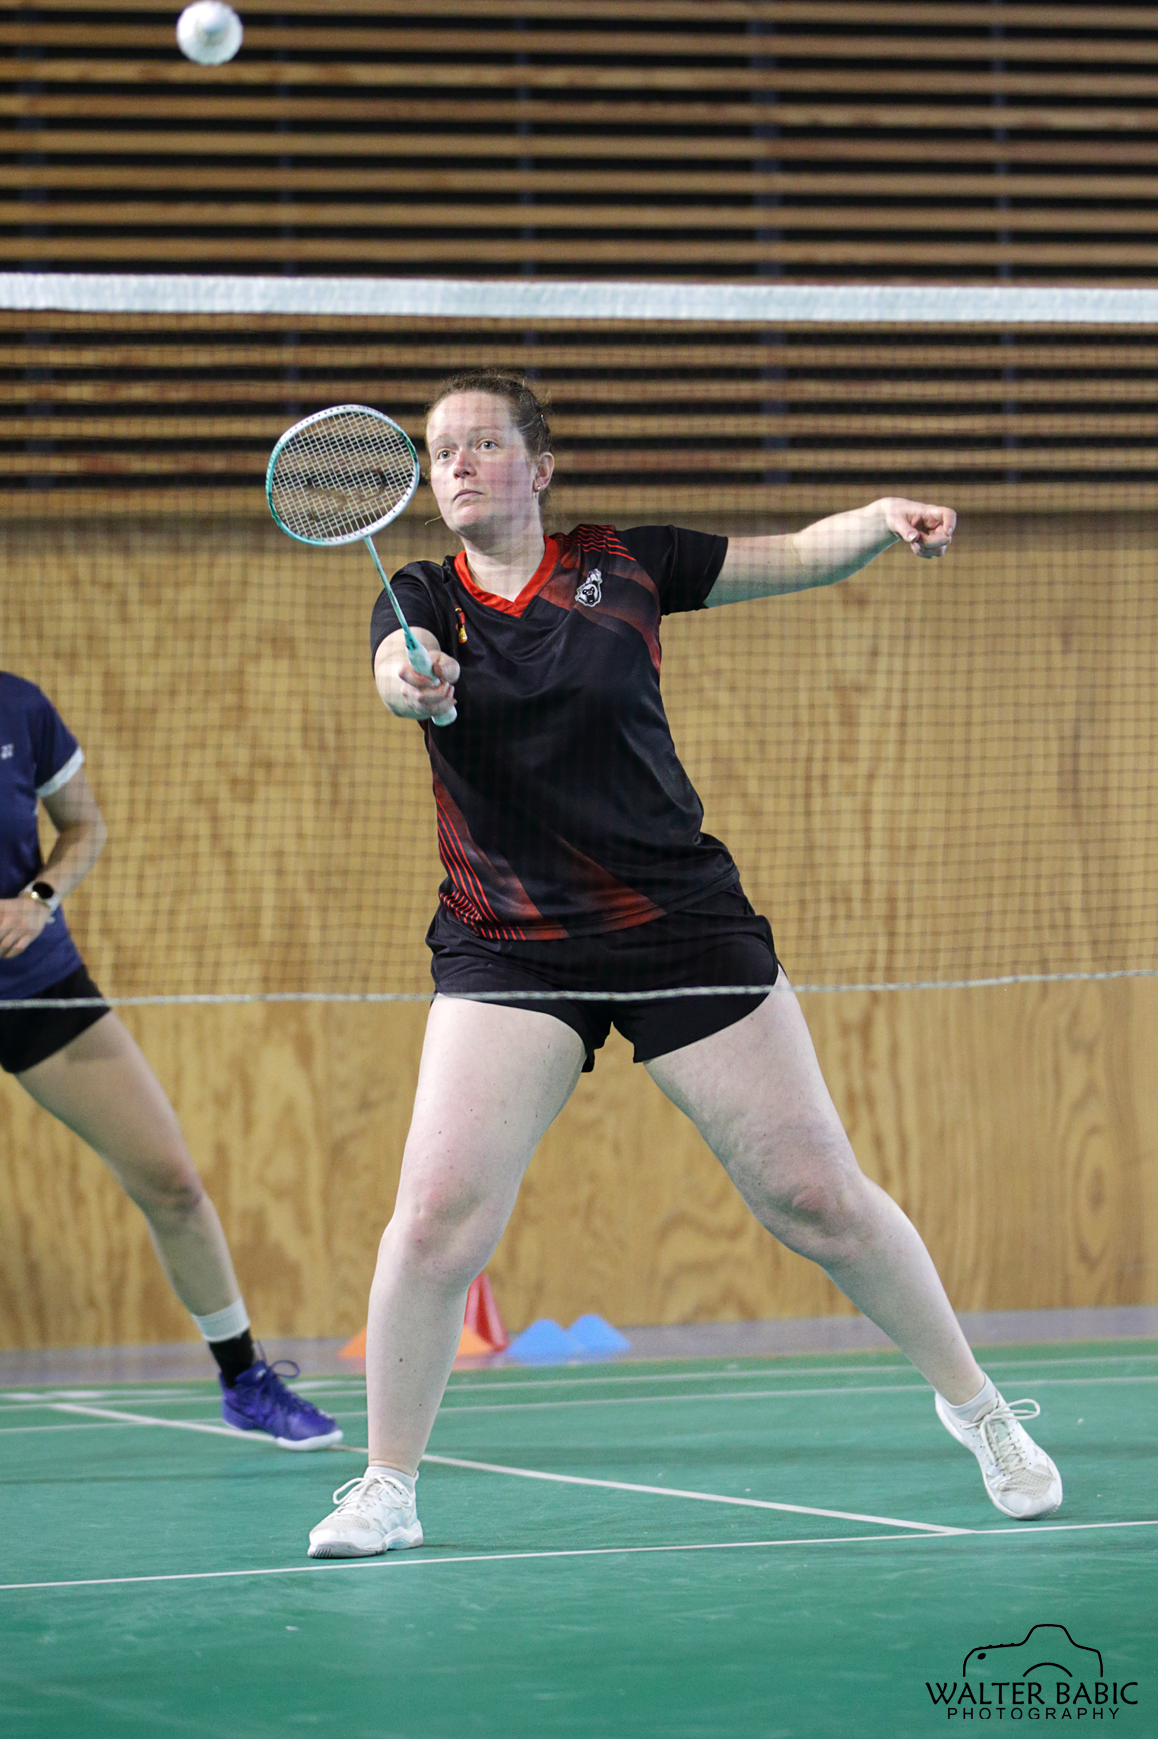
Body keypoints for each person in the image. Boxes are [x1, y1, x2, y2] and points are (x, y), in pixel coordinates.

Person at [306, 370, 1062, 1558]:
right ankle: (387, 1483)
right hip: (511, 943)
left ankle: (978, 1407)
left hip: (678, 923)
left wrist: (876, 520)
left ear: (539, 466)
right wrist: (411, 682)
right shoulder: (417, 597)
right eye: (441, 450)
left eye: (483, 444)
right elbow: (391, 673)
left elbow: (794, 555)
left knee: (816, 1197)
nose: (457, 464)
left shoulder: (628, 563)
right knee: (438, 1216)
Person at [0, 522, 340, 1489]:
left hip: (39, 979)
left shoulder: (17, 709)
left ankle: (245, 1379)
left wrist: (40, 900)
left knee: (172, 1181)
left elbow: (84, 827)